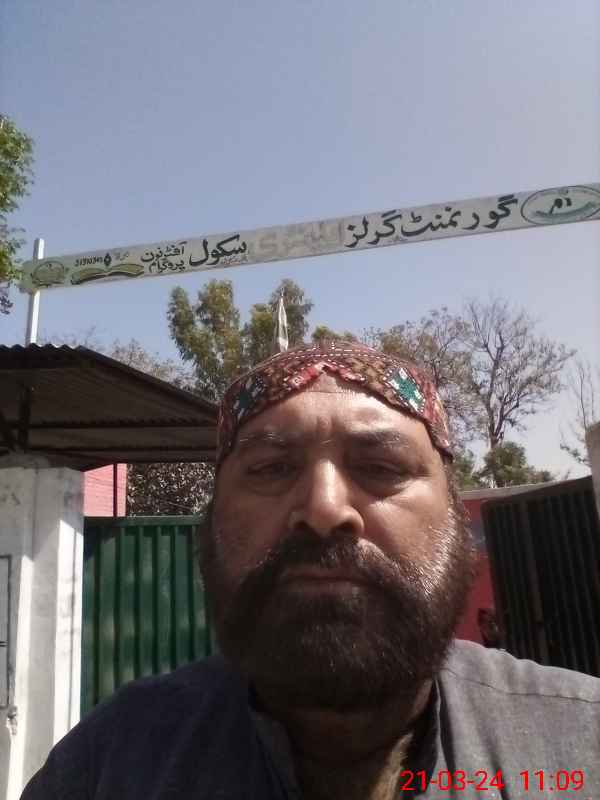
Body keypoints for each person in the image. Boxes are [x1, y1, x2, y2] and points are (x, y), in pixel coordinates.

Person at [22, 341, 600, 799]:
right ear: (212, 519)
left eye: (381, 466)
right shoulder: (106, 766)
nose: (324, 509)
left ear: (454, 514)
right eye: (271, 468)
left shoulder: (581, 741)